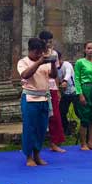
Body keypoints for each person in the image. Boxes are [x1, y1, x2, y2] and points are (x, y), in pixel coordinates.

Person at [18, 37, 56, 166]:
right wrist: (38, 63)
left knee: (41, 128)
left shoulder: (44, 62)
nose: (39, 55)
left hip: (44, 98)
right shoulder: (23, 62)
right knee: (29, 128)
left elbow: (53, 75)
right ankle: (28, 156)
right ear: (30, 50)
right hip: (30, 98)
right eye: (37, 52)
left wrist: (53, 63)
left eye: (41, 52)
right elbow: (25, 75)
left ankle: (37, 154)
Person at [39, 31, 67, 153]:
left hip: (52, 87)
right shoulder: (37, 53)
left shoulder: (54, 53)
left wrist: (57, 89)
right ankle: (36, 144)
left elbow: (55, 73)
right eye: (46, 41)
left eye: (50, 41)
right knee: (39, 116)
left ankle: (55, 142)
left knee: (55, 116)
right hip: (39, 87)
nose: (48, 44)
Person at [57, 53, 78, 136]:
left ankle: (85, 129)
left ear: (60, 58)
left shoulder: (66, 65)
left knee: (79, 112)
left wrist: (65, 81)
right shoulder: (54, 68)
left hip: (74, 91)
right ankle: (66, 130)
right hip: (65, 93)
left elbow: (68, 73)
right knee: (61, 112)